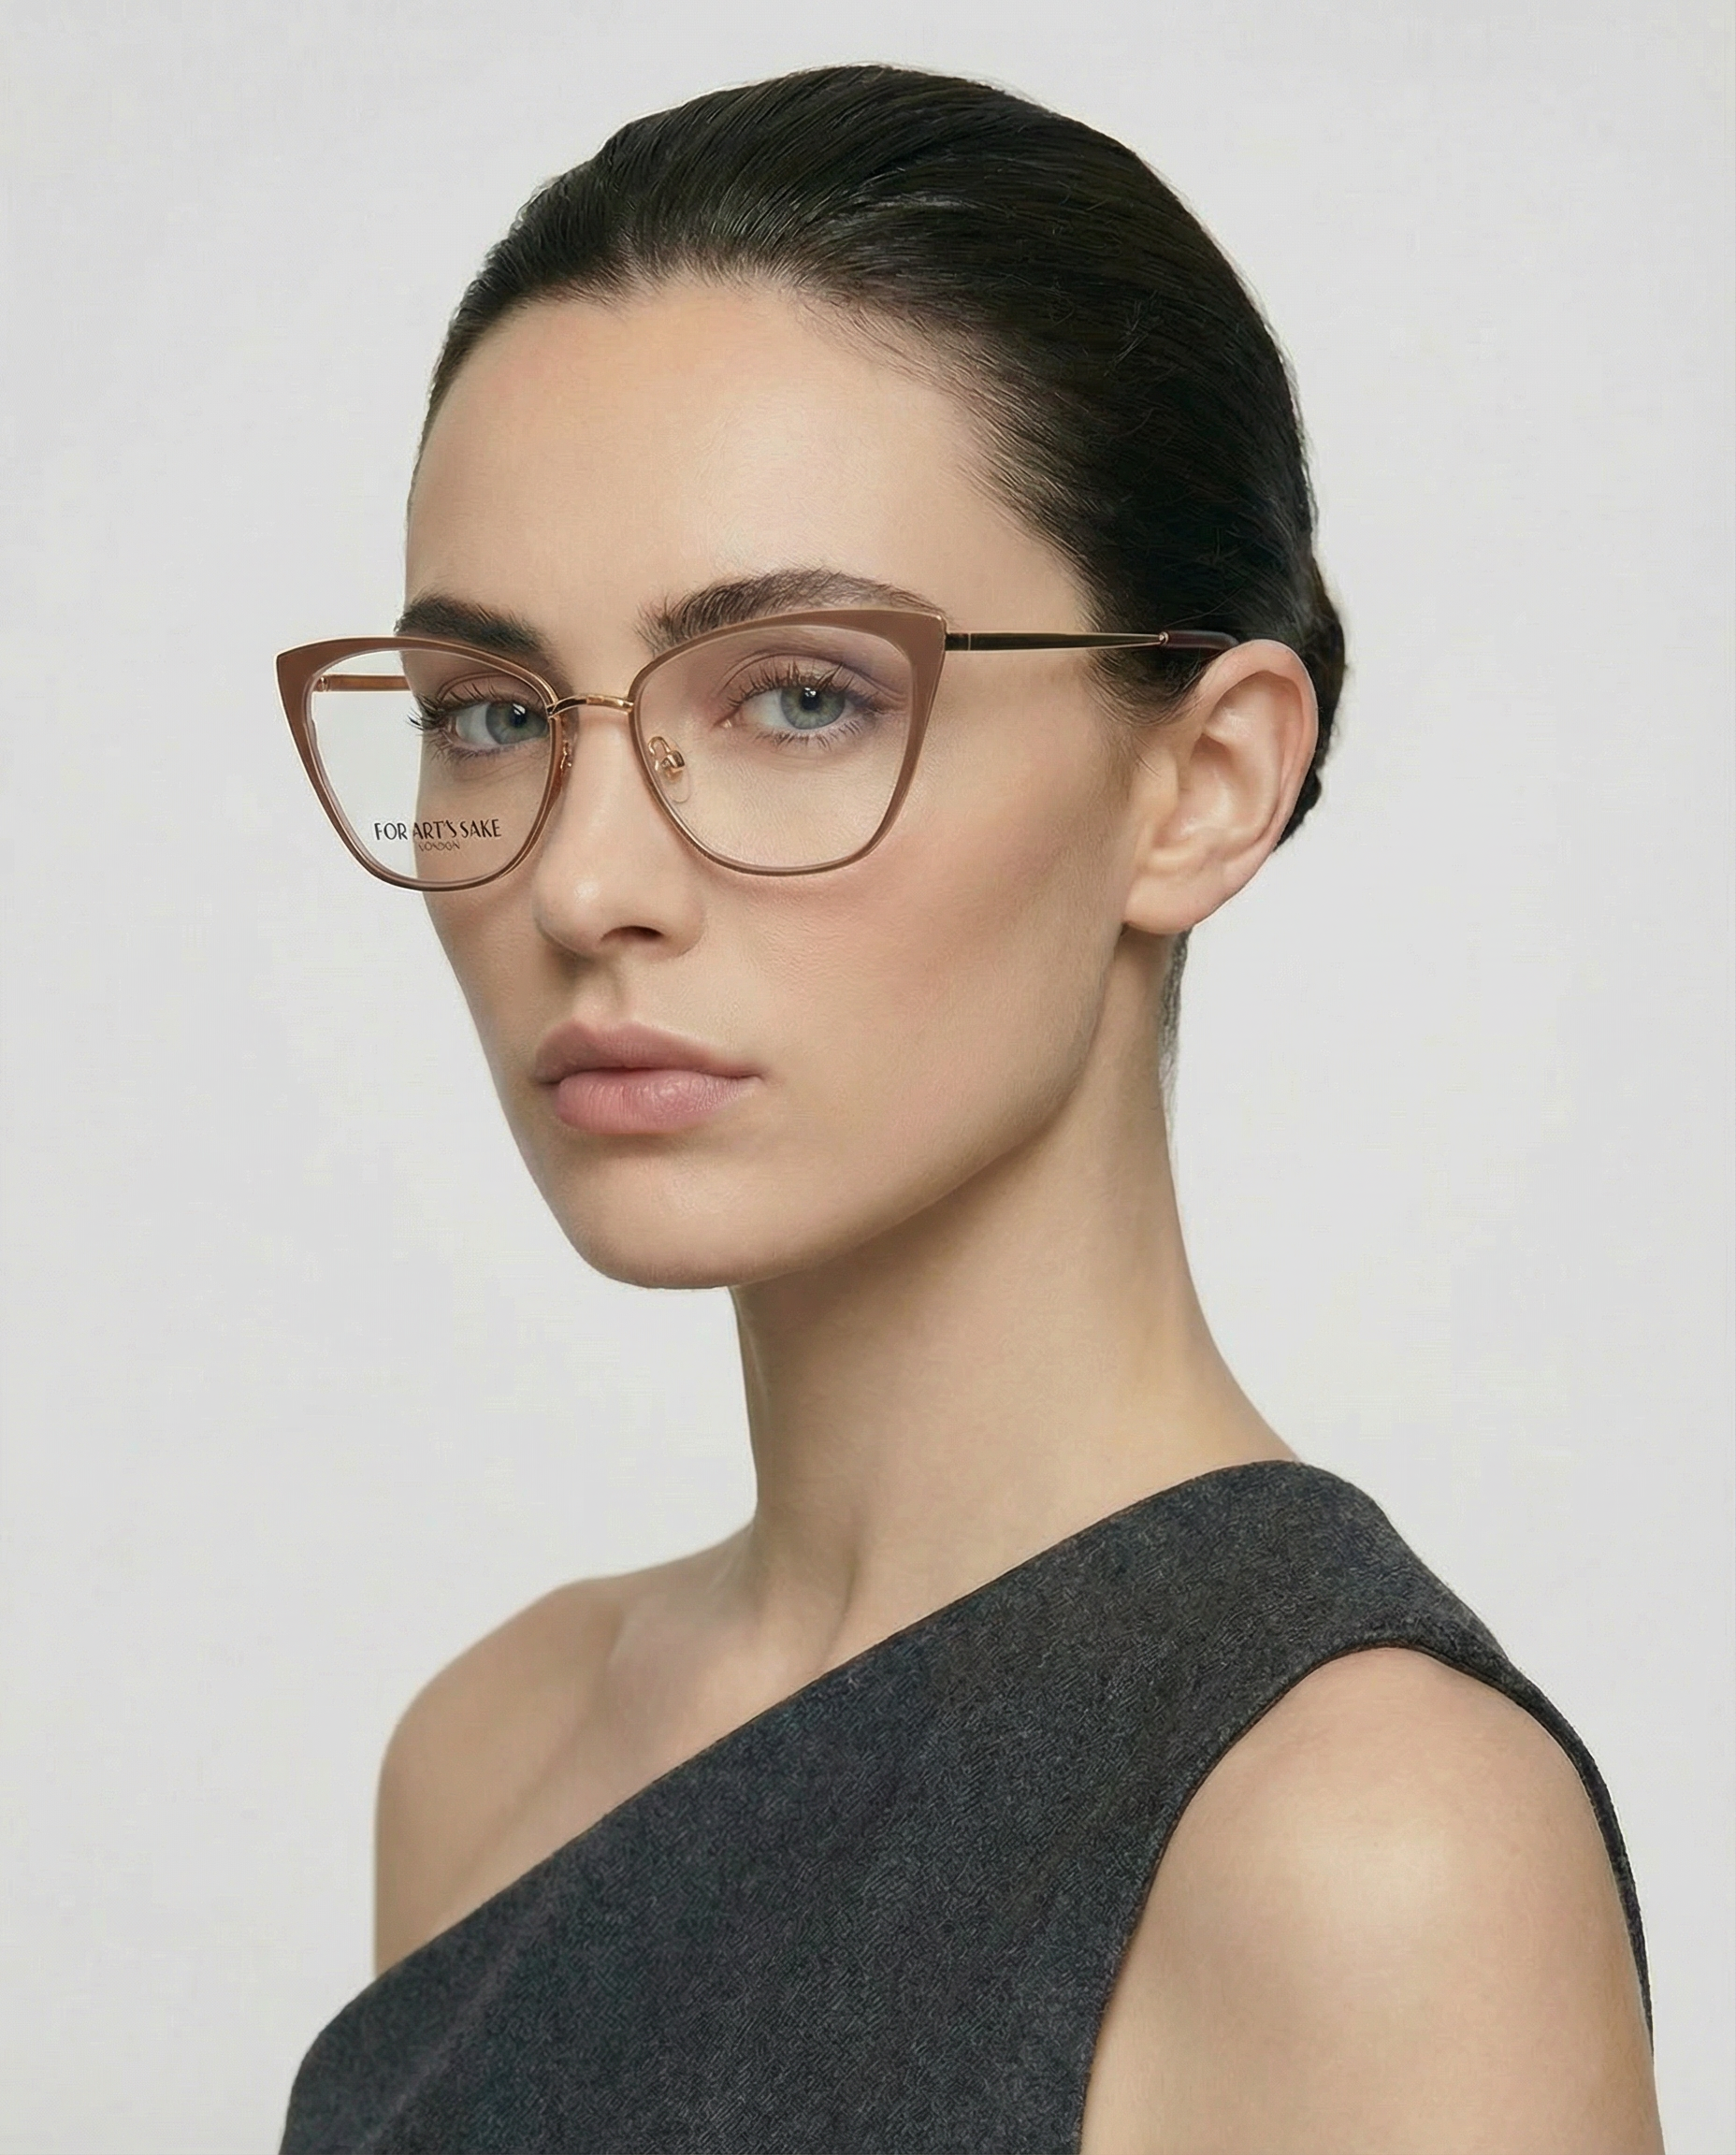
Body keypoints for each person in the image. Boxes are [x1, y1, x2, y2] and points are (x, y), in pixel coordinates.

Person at [272, 61, 1661, 2154]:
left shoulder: (1358, 1851)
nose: (579, 880)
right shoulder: (488, 1758)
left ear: (1202, 783)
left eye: (799, 696)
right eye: (487, 714)